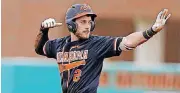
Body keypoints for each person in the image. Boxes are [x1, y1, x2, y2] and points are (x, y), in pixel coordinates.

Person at [34, 4, 171, 93]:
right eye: (83, 22)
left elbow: (128, 42)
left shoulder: (97, 44)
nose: (88, 26)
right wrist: (43, 30)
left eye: (89, 22)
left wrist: (151, 31)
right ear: (71, 26)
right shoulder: (60, 45)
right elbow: (40, 48)